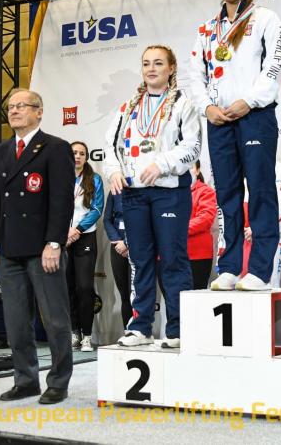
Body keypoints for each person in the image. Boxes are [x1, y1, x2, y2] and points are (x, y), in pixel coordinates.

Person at [189, 0, 281, 291]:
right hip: (219, 120)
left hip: (255, 116)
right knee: (227, 195)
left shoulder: (266, 19)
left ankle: (259, 269)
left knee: (260, 191)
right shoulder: (207, 29)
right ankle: (229, 266)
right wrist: (207, 107)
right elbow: (195, 76)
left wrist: (250, 101)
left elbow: (274, 67)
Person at [104, 45, 201, 349]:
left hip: (169, 193)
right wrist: (114, 171)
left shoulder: (184, 104)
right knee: (140, 261)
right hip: (134, 194)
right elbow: (110, 146)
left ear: (171, 68)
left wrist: (162, 164)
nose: (151, 69)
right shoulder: (127, 108)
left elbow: (192, 147)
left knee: (172, 260)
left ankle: (177, 329)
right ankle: (140, 327)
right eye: (146, 63)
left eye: (158, 63)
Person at [0, 88, 75, 405]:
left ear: (39, 111)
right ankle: (25, 380)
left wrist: (55, 242)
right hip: (10, 248)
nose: (14, 111)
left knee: (55, 319)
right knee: (16, 322)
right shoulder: (1, 151)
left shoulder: (55, 148)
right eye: (11, 106)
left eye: (22, 105)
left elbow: (61, 201)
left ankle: (58, 382)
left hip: (43, 248)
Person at [65, 141, 104, 353]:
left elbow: (97, 209)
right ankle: (74, 333)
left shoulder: (94, 179)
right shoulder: (61, 178)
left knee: (85, 287)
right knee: (68, 287)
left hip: (85, 237)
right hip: (63, 239)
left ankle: (87, 336)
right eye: (74, 153)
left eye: (82, 153)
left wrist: (77, 230)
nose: (78, 156)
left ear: (86, 157)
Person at [241, 160, 281, 287]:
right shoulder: (247, 167)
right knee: (245, 282)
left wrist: (258, 228)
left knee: (271, 283)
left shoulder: (279, 169)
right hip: (246, 235)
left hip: (270, 235)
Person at [103, 190, 133, 327]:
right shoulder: (115, 191)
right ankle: (127, 331)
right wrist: (117, 241)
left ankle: (139, 329)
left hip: (137, 247)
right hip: (117, 247)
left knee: (136, 293)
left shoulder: (143, 188)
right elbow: (107, 219)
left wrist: (127, 243)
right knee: (124, 294)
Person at [187, 162, 216, 290]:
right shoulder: (167, 193)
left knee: (194, 297)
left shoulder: (205, 191)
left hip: (197, 255)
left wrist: (177, 229)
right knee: (171, 299)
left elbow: (205, 218)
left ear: (198, 170)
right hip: (168, 254)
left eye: (190, 167)